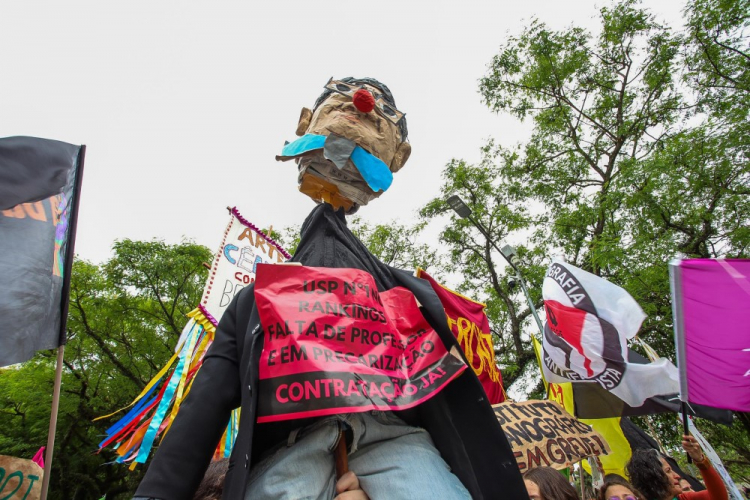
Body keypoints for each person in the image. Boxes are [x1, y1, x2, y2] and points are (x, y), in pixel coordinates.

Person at [132, 78, 527, 500]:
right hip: (294, 444)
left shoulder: (411, 296)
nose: (359, 105)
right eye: (342, 103)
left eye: (374, 116)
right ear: (307, 122)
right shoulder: (254, 304)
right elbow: (203, 407)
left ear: (398, 157)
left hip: (398, 438)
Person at [626, 435, 728, 500]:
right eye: (668, 471)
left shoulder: (683, 498)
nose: (677, 476)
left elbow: (719, 497)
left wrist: (700, 460)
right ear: (653, 477)